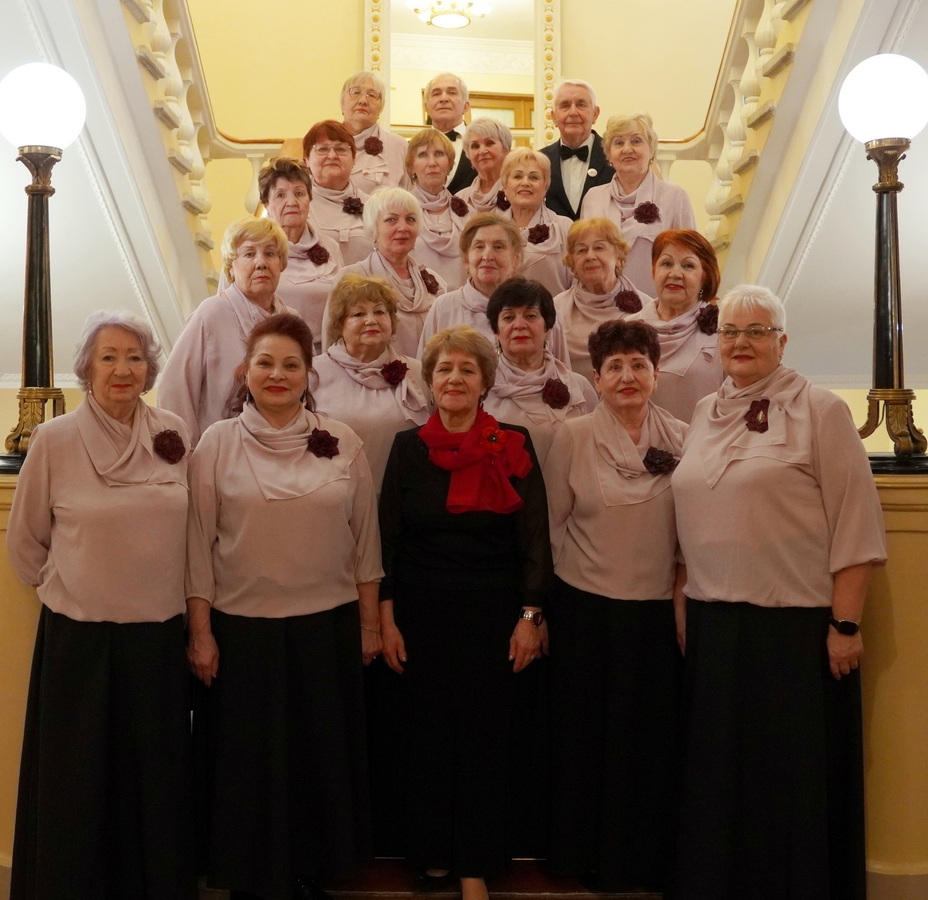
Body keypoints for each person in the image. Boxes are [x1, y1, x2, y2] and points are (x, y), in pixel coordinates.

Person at [669, 285, 887, 900]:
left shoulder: (821, 410)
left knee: (785, 785)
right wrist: (684, 598)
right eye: (730, 332)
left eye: (756, 331)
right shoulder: (704, 412)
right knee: (720, 780)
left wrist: (845, 625)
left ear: (782, 342)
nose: (741, 342)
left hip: (793, 630)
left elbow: (856, 524)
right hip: (713, 626)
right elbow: (691, 514)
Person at [186, 314, 383, 900]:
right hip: (241, 630)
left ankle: (311, 869)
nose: (278, 374)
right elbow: (196, 545)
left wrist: (369, 624)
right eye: (265, 363)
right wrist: (201, 632)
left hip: (326, 627)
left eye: (291, 364)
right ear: (245, 372)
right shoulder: (215, 444)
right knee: (248, 762)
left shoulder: (342, 440)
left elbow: (366, 541)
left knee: (316, 757)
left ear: (307, 374)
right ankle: (249, 876)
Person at [6, 312, 196, 899]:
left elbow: (194, 532)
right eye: (108, 357)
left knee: (154, 783)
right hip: (80, 642)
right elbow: (25, 542)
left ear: (149, 369)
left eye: (134, 357)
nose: (122, 369)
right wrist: (74, 586)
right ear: (87, 367)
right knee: (77, 784)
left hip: (158, 639)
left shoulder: (174, 431)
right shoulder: (54, 440)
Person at [378, 325, 551, 900]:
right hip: (420, 615)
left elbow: (534, 537)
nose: (454, 378)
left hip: (493, 614)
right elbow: (387, 539)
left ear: (484, 382)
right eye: (444, 369)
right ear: (430, 381)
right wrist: (385, 619)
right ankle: (432, 855)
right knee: (424, 737)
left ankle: (475, 862)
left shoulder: (514, 441)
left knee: (484, 740)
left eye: (467, 370)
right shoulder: (407, 448)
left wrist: (530, 616)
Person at [542, 319, 687, 891]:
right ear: (596, 379)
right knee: (585, 740)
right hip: (585, 611)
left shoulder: (684, 437)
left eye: (638, 365)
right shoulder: (572, 436)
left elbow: (691, 535)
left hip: (655, 616)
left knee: (646, 744)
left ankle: (639, 860)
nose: (628, 376)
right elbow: (551, 528)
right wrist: (541, 611)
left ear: (656, 374)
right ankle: (582, 855)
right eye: (615, 367)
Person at [159, 217, 297, 445]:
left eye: (270, 253)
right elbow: (174, 389)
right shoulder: (211, 313)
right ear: (231, 267)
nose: (261, 263)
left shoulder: (293, 320)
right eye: (249, 254)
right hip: (221, 451)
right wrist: (189, 451)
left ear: (281, 263)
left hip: (284, 446)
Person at [313, 273, 431, 483]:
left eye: (380, 311)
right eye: (358, 314)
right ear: (340, 324)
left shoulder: (417, 372)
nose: (371, 320)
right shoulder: (314, 372)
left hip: (403, 492)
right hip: (338, 491)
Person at [420, 214, 570, 365]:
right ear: (466, 259)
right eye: (479, 247)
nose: (487, 256)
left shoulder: (541, 308)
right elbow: (425, 372)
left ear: (516, 258)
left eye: (498, 247)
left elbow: (561, 373)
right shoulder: (444, 308)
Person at [579, 113, 696, 296]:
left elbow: (692, 259)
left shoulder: (675, 197)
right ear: (609, 154)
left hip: (659, 305)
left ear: (651, 150)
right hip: (602, 304)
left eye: (636, 141)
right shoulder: (593, 198)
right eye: (618, 143)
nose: (627, 149)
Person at [485, 278, 596, 459]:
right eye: (508, 317)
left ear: (548, 328)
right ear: (496, 331)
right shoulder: (482, 389)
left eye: (530, 316)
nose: (519, 325)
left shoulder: (579, 387)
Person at [625, 229, 723, 423]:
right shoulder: (625, 330)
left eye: (688, 266)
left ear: (705, 276)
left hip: (703, 439)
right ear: (653, 271)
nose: (675, 274)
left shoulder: (725, 332)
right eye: (666, 263)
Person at [339, 187, 447, 357]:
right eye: (391, 220)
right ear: (373, 229)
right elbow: (334, 346)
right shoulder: (351, 279)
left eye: (410, 219)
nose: (403, 227)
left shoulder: (435, 282)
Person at [259, 157, 344, 351]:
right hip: (273, 354)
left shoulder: (330, 247)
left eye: (299, 193)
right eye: (280, 195)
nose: (292, 202)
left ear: (309, 200)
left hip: (328, 354)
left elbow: (345, 303)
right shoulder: (251, 251)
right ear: (266, 204)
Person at [555, 217, 652, 384]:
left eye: (599, 247)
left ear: (618, 256)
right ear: (572, 262)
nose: (590, 256)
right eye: (581, 250)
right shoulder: (555, 309)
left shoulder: (647, 308)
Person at [500, 147, 573, 295]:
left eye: (534, 177)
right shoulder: (490, 228)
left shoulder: (564, 227)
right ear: (505, 186)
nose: (525, 182)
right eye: (517, 176)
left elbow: (577, 281)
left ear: (545, 186)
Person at [304, 120, 373, 265]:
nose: (332, 156)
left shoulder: (373, 206)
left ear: (353, 160)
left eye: (341, 149)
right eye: (322, 149)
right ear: (307, 160)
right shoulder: (293, 206)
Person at [406, 128, 469, 288]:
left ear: (449, 164)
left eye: (439, 154)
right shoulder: (400, 211)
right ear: (411, 166)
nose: (432, 163)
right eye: (423, 155)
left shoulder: (468, 213)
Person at [542, 80, 612, 221]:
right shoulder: (540, 160)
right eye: (565, 105)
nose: (573, 112)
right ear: (553, 117)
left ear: (595, 114)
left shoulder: (615, 157)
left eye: (581, 105)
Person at [341, 71, 408, 196]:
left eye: (372, 95)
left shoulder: (398, 146)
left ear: (381, 107)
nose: (363, 101)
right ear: (342, 102)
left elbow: (410, 199)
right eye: (355, 92)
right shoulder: (323, 143)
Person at [424, 72, 476, 192]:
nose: (443, 99)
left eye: (452, 93)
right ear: (426, 107)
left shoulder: (483, 146)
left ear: (465, 106)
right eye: (436, 94)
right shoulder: (410, 148)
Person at [452, 118, 513, 216]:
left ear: (506, 149)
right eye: (475, 146)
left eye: (489, 143)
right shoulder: (460, 199)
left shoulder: (518, 192)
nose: (482, 151)